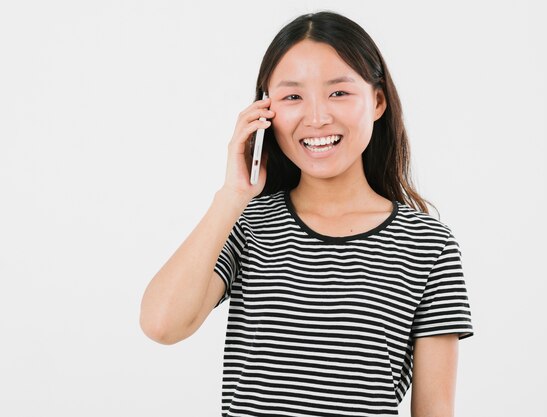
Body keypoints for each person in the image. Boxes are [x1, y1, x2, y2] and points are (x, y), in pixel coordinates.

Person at [140, 10, 474, 417]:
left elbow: (435, 409)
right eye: (293, 96)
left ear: (378, 102)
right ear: (265, 110)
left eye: (338, 93)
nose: (316, 118)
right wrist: (231, 195)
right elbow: (161, 325)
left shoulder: (428, 243)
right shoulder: (248, 223)